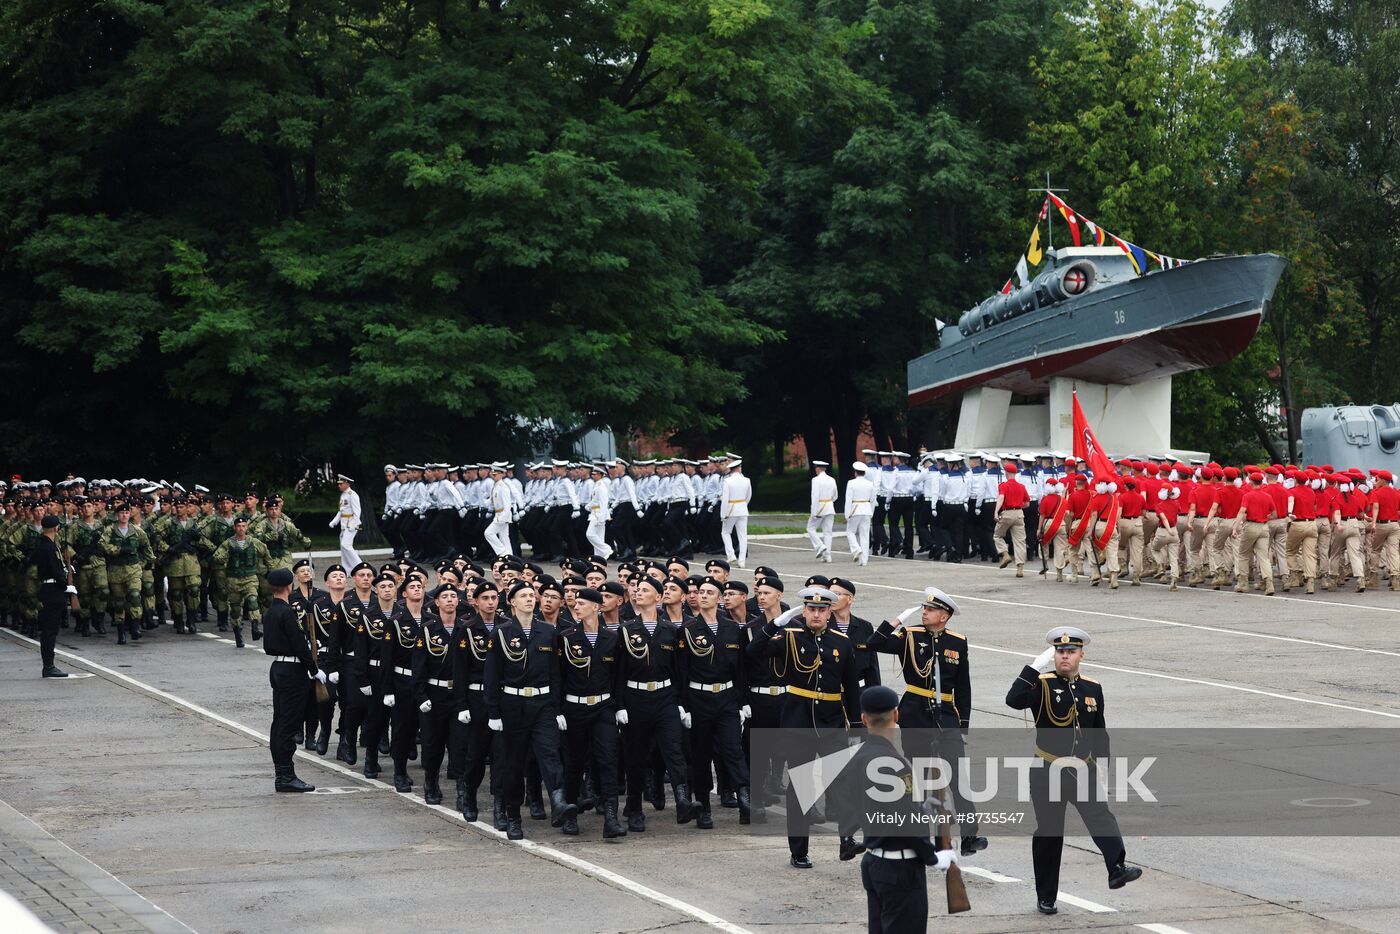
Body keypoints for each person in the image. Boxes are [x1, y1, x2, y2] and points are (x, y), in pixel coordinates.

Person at [1005, 626, 1141, 915]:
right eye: (1060, 651)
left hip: (1083, 769)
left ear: (1081, 655)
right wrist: (1033, 667)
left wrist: (1103, 768)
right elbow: (1012, 700)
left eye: (1070, 652)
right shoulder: (1040, 683)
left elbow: (1099, 732)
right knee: (1050, 833)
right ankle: (1046, 897)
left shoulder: (1092, 687)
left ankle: (1116, 867)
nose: (1064, 656)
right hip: (1048, 768)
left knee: (1101, 817)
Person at [746, 585, 862, 869]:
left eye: (822, 610)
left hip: (832, 720)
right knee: (801, 788)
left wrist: (858, 724)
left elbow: (851, 686)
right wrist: (775, 624)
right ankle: (799, 850)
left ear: (829, 612)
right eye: (811, 609)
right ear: (805, 611)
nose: (816, 614)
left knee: (843, 780)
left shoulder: (841, 642)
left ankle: (847, 840)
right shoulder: (789, 636)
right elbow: (753, 652)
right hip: (798, 721)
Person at [868, 586, 985, 855]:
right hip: (915, 713)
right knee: (921, 778)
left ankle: (970, 835)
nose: (925, 612)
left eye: (931, 609)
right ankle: (924, 838)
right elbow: (874, 643)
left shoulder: (957, 641)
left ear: (944, 616)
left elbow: (963, 687)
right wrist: (896, 620)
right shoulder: (909, 636)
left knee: (957, 776)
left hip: (946, 714)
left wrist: (963, 726)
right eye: (924, 608)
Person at [850, 684, 958, 934]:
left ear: (863, 718)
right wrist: (933, 857)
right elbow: (901, 820)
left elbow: (882, 809)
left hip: (874, 863)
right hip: (901, 872)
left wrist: (920, 809)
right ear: (897, 715)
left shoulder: (860, 757)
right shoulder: (892, 763)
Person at [556, 587, 627, 838]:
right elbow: (559, 676)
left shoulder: (611, 638)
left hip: (603, 707)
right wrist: (559, 709)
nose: (576, 607)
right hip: (574, 707)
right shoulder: (566, 637)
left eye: (583, 604)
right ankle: (571, 814)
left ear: (596, 607)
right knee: (574, 762)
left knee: (608, 760)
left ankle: (611, 818)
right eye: (575, 604)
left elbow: (618, 675)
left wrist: (619, 707)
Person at [263, 567, 321, 792]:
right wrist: (314, 669)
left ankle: (282, 774)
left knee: (280, 723)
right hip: (293, 671)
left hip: (279, 667)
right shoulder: (287, 612)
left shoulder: (271, 611)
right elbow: (300, 644)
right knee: (288, 724)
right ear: (289, 587)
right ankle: (286, 776)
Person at [31, 514, 75, 677]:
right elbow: (54, 569)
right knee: (50, 629)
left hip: (48, 587)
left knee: (49, 629)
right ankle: (48, 666)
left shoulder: (44, 543)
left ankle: (49, 665)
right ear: (56, 528)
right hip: (52, 588)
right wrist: (66, 584)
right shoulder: (48, 546)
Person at [993, 462, 1029, 577]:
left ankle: (1005, 554)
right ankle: (1020, 568)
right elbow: (1027, 503)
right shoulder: (1021, 486)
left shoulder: (1003, 485)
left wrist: (996, 511)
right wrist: (1018, 506)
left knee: (997, 535)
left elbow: (1001, 497)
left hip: (1007, 513)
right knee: (1020, 541)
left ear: (1006, 473)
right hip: (1019, 514)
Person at [720, 458, 752, 568]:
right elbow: (748, 496)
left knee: (725, 532)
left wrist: (723, 514)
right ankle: (742, 560)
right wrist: (743, 505)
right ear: (739, 468)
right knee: (743, 536)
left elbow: (725, 499)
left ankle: (731, 554)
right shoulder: (747, 480)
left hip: (731, 509)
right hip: (742, 508)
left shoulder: (727, 481)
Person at [329, 474, 363, 569]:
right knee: (343, 548)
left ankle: (360, 566)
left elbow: (357, 511)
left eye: (341, 484)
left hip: (351, 524)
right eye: (339, 484)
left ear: (347, 484)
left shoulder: (352, 495)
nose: (339, 485)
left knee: (346, 545)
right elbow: (341, 511)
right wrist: (334, 522)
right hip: (344, 525)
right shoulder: (343, 495)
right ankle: (347, 569)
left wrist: (355, 523)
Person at [806, 461, 838, 562]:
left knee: (810, 528)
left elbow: (815, 497)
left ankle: (820, 546)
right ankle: (827, 556)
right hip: (829, 507)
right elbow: (835, 496)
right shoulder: (832, 479)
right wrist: (829, 502)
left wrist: (814, 512)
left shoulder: (816, 480)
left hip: (819, 507)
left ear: (818, 469)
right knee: (828, 532)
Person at [844, 463, 875, 565]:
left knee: (850, 532)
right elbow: (873, 500)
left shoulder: (851, 483)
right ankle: (864, 560)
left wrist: (847, 514)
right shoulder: (870, 484)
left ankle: (856, 548)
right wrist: (871, 512)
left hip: (855, 509)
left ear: (855, 472)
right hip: (866, 510)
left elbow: (848, 500)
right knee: (865, 535)